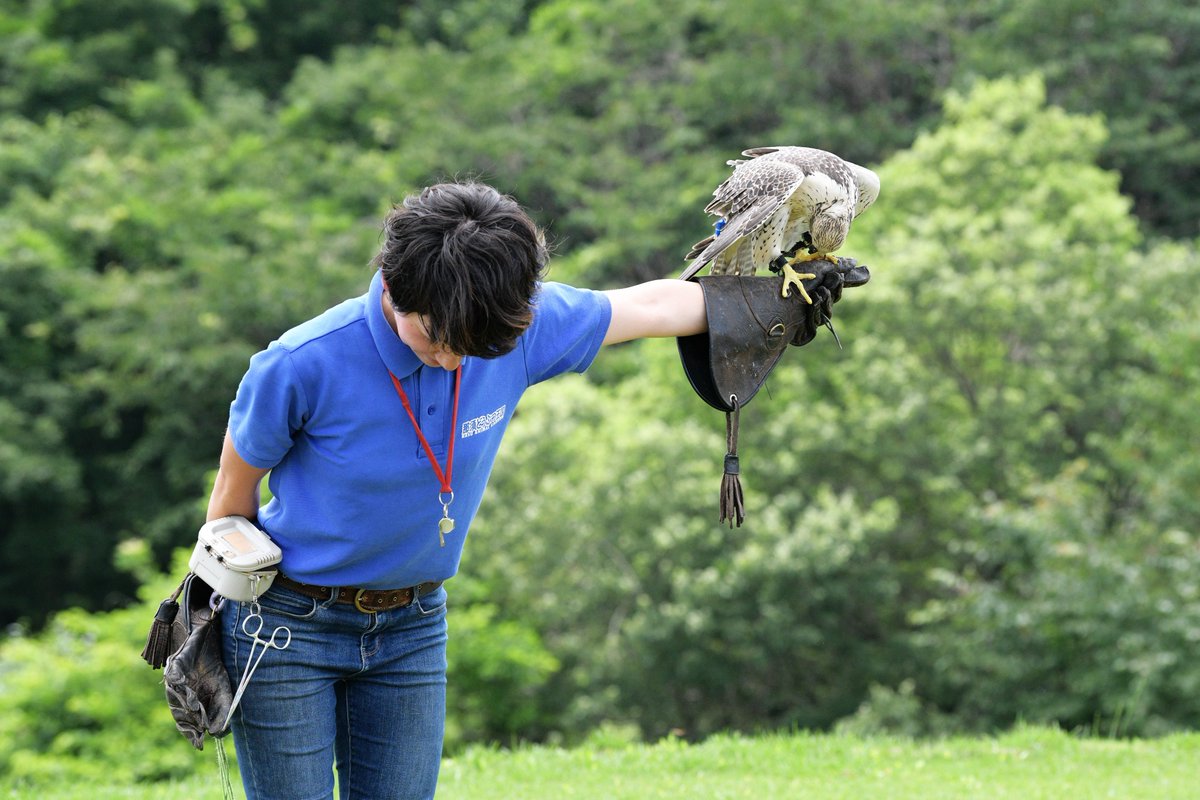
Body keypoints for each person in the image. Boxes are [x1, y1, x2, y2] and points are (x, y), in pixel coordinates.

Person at [207, 181, 707, 800]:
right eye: (435, 338)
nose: (451, 358)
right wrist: (215, 623)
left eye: (470, 347)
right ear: (392, 286)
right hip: (286, 628)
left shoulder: (503, 326)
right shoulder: (299, 364)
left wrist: (764, 300)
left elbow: (655, 307)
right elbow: (230, 502)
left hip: (412, 626)